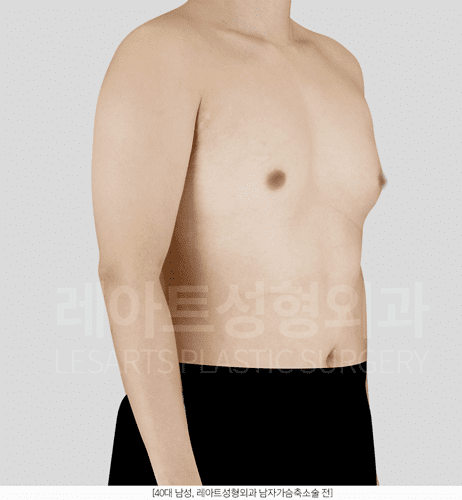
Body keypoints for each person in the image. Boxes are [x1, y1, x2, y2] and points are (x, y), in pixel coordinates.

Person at [92, 0, 386, 486]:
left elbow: (343, 262)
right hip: (212, 420)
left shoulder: (340, 63)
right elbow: (127, 273)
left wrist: (360, 439)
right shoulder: (162, 51)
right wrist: (180, 486)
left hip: (342, 414)